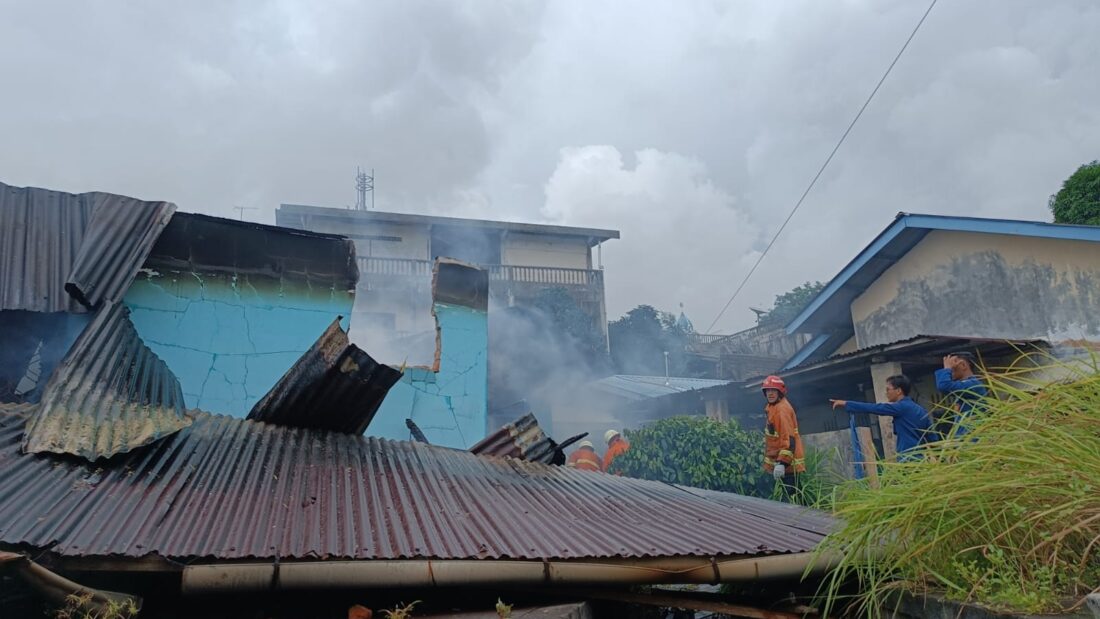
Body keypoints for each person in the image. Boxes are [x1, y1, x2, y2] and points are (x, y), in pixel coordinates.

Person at [829, 374, 932, 459]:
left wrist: (847, 404)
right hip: (920, 460)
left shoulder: (901, 407)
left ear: (898, 391)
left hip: (908, 459)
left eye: (888, 389)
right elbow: (933, 437)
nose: (886, 393)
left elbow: (875, 408)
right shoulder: (921, 410)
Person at [761, 375, 805, 498]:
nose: (770, 393)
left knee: (793, 497)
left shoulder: (781, 410)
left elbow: (788, 439)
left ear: (780, 392)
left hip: (787, 465)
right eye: (768, 390)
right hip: (780, 463)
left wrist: (782, 463)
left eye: (773, 390)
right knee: (789, 496)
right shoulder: (772, 407)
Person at [935, 351, 988, 437]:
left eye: (952, 367)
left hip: (974, 437)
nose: (949, 371)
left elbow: (944, 386)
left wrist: (946, 369)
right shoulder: (963, 386)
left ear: (963, 365)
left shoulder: (973, 384)